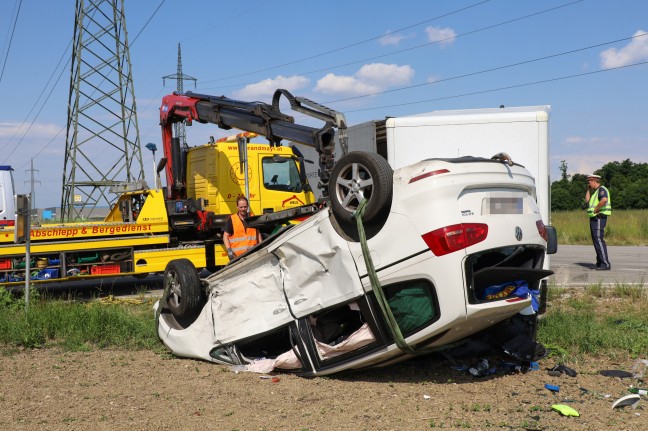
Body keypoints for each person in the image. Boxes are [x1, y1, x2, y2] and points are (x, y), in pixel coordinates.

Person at [585, 174, 611, 270]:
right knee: (596, 240)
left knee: (599, 239)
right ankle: (600, 262)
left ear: (594, 180)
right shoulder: (595, 192)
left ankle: (605, 263)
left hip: (599, 217)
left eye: (589, 181)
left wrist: (597, 209)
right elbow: (587, 202)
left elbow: (604, 199)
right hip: (594, 218)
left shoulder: (601, 189)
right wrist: (588, 190)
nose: (588, 183)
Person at [223, 196, 262, 260]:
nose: (243, 209)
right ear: (237, 207)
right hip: (238, 257)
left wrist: (261, 246)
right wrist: (229, 250)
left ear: (248, 206)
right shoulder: (232, 219)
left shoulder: (252, 217)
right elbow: (225, 236)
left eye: (245, 207)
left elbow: (258, 233)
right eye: (241, 207)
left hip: (252, 254)